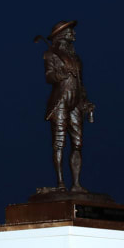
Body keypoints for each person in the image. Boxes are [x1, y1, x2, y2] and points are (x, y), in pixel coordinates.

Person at [42, 20, 94, 192]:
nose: (74, 34)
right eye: (71, 32)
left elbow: (81, 83)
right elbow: (49, 77)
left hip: (76, 103)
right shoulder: (51, 55)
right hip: (60, 102)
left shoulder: (76, 58)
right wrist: (60, 73)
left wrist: (85, 102)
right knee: (59, 143)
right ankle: (60, 183)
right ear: (63, 35)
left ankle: (77, 184)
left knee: (77, 144)